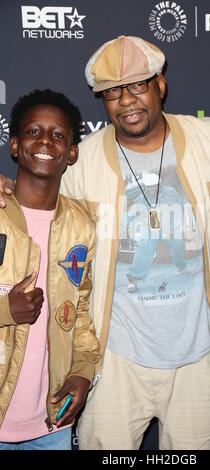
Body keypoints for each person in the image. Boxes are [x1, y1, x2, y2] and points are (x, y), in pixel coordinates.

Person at [0, 36, 210, 450]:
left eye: (138, 85)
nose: (127, 100)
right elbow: (34, 195)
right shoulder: (81, 161)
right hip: (114, 362)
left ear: (160, 85)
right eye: (113, 91)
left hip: (198, 359)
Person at [0, 89, 100, 450]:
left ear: (72, 153)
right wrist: (5, 311)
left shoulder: (81, 225)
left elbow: (81, 313)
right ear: (14, 145)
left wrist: (82, 372)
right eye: (33, 131)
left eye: (58, 135)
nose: (45, 140)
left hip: (50, 426)